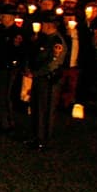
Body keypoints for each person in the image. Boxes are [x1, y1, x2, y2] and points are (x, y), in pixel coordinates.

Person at [26, 18, 68, 150]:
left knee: (45, 109)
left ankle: (42, 138)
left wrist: (36, 73)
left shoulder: (57, 41)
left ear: (49, 25)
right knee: (36, 106)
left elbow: (53, 63)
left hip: (48, 79)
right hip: (39, 76)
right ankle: (35, 135)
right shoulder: (43, 38)